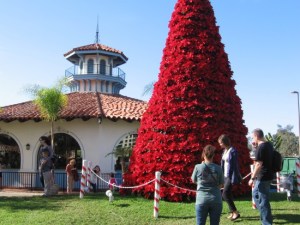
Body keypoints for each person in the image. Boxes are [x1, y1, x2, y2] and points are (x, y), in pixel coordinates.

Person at [191, 145, 224, 225]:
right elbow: (221, 185)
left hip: (201, 200)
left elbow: (193, 180)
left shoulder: (198, 167)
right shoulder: (218, 168)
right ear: (213, 155)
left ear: (204, 154)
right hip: (216, 199)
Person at [248, 128, 273, 225]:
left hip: (262, 177)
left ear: (256, 136)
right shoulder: (269, 145)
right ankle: (265, 214)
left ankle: (266, 222)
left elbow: (258, 164)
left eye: (253, 137)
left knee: (263, 201)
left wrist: (252, 178)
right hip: (268, 175)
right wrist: (255, 148)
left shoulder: (261, 147)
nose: (252, 139)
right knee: (256, 195)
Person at [218, 134, 241, 221]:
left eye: (220, 143)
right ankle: (232, 212)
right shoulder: (225, 151)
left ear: (224, 142)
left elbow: (235, 166)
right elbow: (223, 164)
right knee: (228, 194)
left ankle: (235, 212)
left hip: (230, 176)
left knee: (225, 194)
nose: (220, 145)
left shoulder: (233, 151)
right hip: (225, 175)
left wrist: (233, 178)